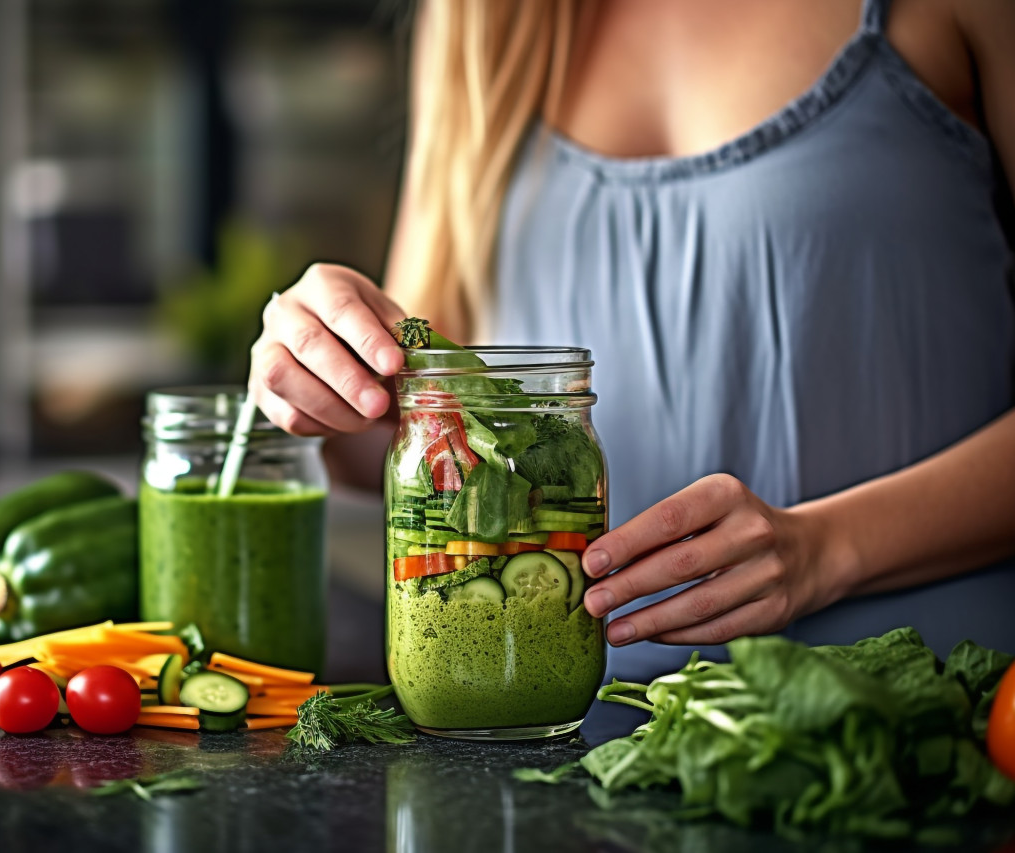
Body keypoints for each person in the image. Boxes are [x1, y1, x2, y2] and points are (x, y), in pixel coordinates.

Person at [248, 0, 1015, 683]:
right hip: (559, 741)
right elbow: (403, 432)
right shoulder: (478, 21)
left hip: (924, 714)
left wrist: (828, 547)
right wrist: (328, 371)